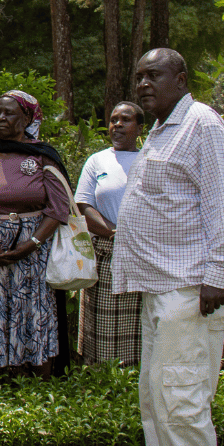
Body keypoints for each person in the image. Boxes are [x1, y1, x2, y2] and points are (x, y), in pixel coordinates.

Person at [110, 49, 224, 446]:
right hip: (162, 287)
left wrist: (217, 276)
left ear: (182, 80)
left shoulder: (201, 125)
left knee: (181, 395)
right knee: (156, 392)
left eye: (154, 75)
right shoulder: (161, 130)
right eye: (139, 77)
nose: (144, 84)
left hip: (190, 288)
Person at [0, 89, 74, 373]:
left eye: (9, 113)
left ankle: (37, 378)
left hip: (33, 253)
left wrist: (32, 243)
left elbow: (58, 208)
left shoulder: (42, 156)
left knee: (34, 308)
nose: (0, 118)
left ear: (26, 118)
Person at [74, 103, 145, 365]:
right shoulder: (97, 160)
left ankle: (138, 379)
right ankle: (102, 378)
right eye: (113, 120)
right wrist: (113, 232)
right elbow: (83, 204)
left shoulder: (150, 158)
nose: (117, 125)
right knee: (102, 325)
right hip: (105, 251)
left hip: (144, 252)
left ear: (140, 128)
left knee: (140, 323)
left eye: (125, 120)